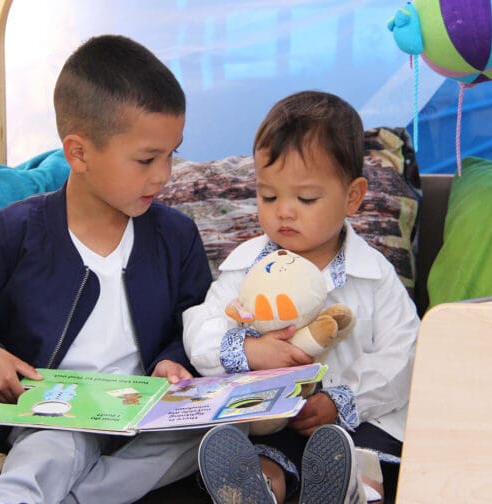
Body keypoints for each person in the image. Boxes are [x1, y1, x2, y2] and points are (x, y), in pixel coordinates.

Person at [0, 34, 213, 504]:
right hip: (56, 413)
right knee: (53, 450)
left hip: (147, 412)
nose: (163, 174)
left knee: (211, 436)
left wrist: (173, 361)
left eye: (172, 154)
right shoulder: (16, 231)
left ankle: (63, 496)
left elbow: (194, 322)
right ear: (79, 153)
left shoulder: (177, 235)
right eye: (147, 159)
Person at [183, 90, 420, 504]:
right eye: (268, 196)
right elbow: (201, 326)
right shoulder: (245, 268)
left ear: (352, 197)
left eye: (305, 199)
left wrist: (340, 400)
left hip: (361, 416)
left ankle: (351, 490)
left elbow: (404, 356)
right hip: (276, 418)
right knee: (264, 453)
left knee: (365, 458)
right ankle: (257, 488)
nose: (284, 212)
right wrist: (248, 350)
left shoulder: (374, 275)